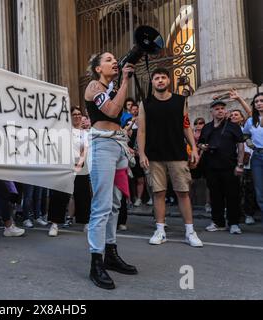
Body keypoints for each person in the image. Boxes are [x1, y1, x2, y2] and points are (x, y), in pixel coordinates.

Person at [84, 52, 138, 290]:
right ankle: (96, 262)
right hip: (102, 147)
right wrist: (126, 81)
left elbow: (120, 117)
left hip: (117, 147)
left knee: (116, 204)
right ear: (97, 68)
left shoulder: (113, 87)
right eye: (108, 59)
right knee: (102, 205)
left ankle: (111, 252)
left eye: (115, 58)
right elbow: (113, 112)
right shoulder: (94, 87)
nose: (114, 61)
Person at [137, 67, 203, 248]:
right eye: (156, 78)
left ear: (168, 81)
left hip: (177, 154)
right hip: (154, 155)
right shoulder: (145, 103)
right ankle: (160, 230)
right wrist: (142, 153)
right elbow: (141, 131)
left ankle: (190, 231)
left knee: (183, 192)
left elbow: (186, 125)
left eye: (163, 78)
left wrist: (194, 148)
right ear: (152, 82)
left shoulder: (180, 101)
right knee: (158, 193)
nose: (160, 80)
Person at [199, 100, 245, 234]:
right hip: (211, 167)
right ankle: (218, 222)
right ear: (211, 112)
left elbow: (240, 146)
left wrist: (240, 165)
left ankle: (234, 223)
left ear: (225, 111)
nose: (220, 111)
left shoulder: (233, 126)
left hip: (230, 166)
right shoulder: (207, 127)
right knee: (215, 196)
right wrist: (203, 146)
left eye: (222, 108)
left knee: (232, 196)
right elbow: (200, 143)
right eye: (217, 109)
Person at [47, 106, 91, 237]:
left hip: (81, 168)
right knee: (59, 196)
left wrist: (80, 163)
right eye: (74, 114)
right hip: (66, 167)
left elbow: (85, 149)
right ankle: (54, 224)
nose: (77, 116)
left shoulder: (86, 133)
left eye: (79, 114)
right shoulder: (64, 131)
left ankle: (86, 223)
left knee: (83, 196)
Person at [243, 92, 263, 225]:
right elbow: (245, 135)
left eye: (261, 101)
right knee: (260, 191)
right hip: (258, 157)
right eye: (256, 102)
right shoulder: (251, 121)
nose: (259, 103)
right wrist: (252, 146)